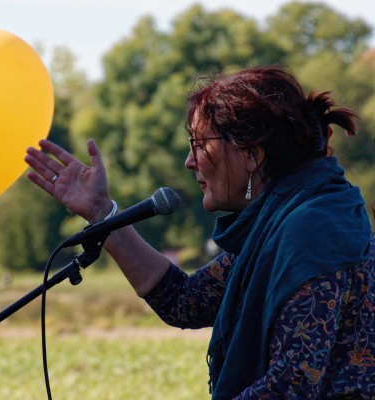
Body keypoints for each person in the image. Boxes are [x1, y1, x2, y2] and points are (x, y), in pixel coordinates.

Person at [25, 66, 375, 399]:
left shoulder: (314, 230)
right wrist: (103, 214)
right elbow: (184, 300)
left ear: (251, 153)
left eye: (199, 144)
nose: (189, 162)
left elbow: (290, 387)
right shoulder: (281, 224)